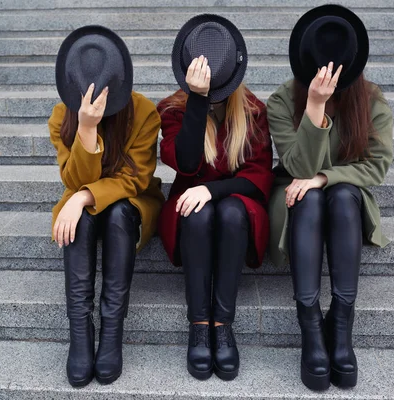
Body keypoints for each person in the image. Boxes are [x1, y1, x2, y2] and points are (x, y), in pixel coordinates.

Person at [267, 5, 394, 391]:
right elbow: (297, 165)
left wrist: (326, 177)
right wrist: (315, 108)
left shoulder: (371, 100)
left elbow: (376, 167)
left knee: (339, 195)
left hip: (346, 199)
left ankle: (340, 327)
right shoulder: (282, 102)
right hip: (291, 198)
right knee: (307, 197)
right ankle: (311, 329)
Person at [157, 14, 274, 381]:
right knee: (200, 213)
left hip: (238, 203)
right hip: (191, 207)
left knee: (231, 213)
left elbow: (257, 177)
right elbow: (187, 161)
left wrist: (213, 189)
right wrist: (197, 100)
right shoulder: (174, 110)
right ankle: (199, 322)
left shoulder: (252, 109)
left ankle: (222, 323)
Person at [49, 25, 164, 387]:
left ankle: (112, 332)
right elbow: (72, 179)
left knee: (115, 213)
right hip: (84, 201)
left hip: (132, 205)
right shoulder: (60, 118)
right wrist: (85, 129)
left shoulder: (144, 112)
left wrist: (85, 195)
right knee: (80, 220)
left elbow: (135, 180)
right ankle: (81, 334)